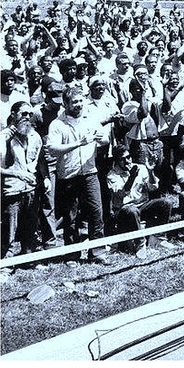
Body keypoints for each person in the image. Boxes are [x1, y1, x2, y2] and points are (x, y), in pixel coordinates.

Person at [47, 87, 115, 264]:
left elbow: (105, 139)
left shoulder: (90, 118)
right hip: (68, 175)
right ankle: (72, 254)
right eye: (74, 102)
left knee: (96, 212)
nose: (78, 105)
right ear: (65, 104)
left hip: (89, 173)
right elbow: (52, 149)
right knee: (71, 217)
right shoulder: (57, 124)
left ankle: (98, 252)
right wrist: (78, 143)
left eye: (80, 101)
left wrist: (102, 139)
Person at [106, 144, 173, 253]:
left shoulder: (140, 168)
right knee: (132, 210)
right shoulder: (112, 175)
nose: (127, 161)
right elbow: (121, 195)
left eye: (128, 157)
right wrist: (131, 177)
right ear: (117, 161)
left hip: (142, 206)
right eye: (123, 159)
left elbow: (153, 187)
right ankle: (140, 244)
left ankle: (158, 239)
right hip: (124, 211)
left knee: (166, 203)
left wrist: (151, 171)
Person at [1, 101, 42, 257]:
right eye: (23, 113)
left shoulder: (35, 136)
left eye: (30, 114)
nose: (27, 117)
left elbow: (38, 161)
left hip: (30, 188)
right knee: (8, 229)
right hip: (11, 189)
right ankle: (5, 264)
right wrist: (17, 174)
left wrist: (43, 178)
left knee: (30, 226)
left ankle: (28, 258)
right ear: (13, 115)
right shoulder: (3, 138)